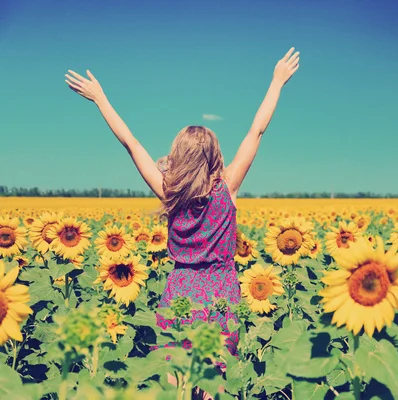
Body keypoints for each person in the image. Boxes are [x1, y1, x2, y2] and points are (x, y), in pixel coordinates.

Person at [65, 47, 300, 399]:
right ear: (215, 157)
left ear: (178, 156)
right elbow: (257, 131)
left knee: (175, 379)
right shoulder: (229, 187)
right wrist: (277, 81)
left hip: (181, 291)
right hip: (221, 292)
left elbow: (130, 143)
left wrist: (100, 98)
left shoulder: (168, 191)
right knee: (216, 383)